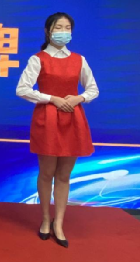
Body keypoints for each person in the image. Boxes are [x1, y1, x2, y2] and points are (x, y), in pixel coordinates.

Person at [16, 12, 99, 248]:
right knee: (46, 173)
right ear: (48, 31)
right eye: (58, 27)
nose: (63, 31)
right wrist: (51, 98)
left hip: (73, 118)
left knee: (64, 175)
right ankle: (45, 219)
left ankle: (59, 223)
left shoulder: (79, 60)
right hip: (48, 118)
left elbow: (93, 89)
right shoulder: (38, 59)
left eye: (67, 27)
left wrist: (79, 98)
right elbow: (22, 89)